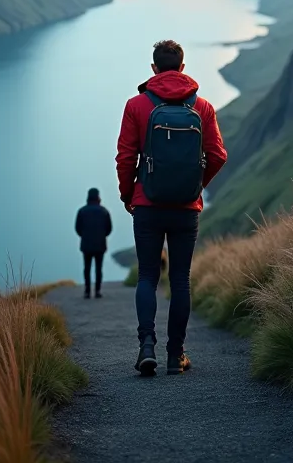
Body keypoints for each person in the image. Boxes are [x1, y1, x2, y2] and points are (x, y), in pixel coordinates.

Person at [117, 40, 228, 377]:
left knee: (148, 276)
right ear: (182, 68)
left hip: (147, 206)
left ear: (153, 69)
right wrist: (195, 186)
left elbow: (125, 157)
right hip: (186, 208)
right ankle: (175, 355)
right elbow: (218, 155)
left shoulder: (136, 105)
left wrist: (128, 196)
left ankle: (146, 347)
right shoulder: (203, 107)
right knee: (180, 280)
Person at [75, 188, 113, 299]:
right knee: (98, 268)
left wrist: (85, 236)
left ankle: (87, 291)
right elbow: (109, 228)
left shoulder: (82, 211)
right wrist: (102, 235)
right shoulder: (104, 211)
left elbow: (77, 228)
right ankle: (97, 291)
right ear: (98, 197)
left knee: (86, 268)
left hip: (86, 244)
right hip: (100, 244)